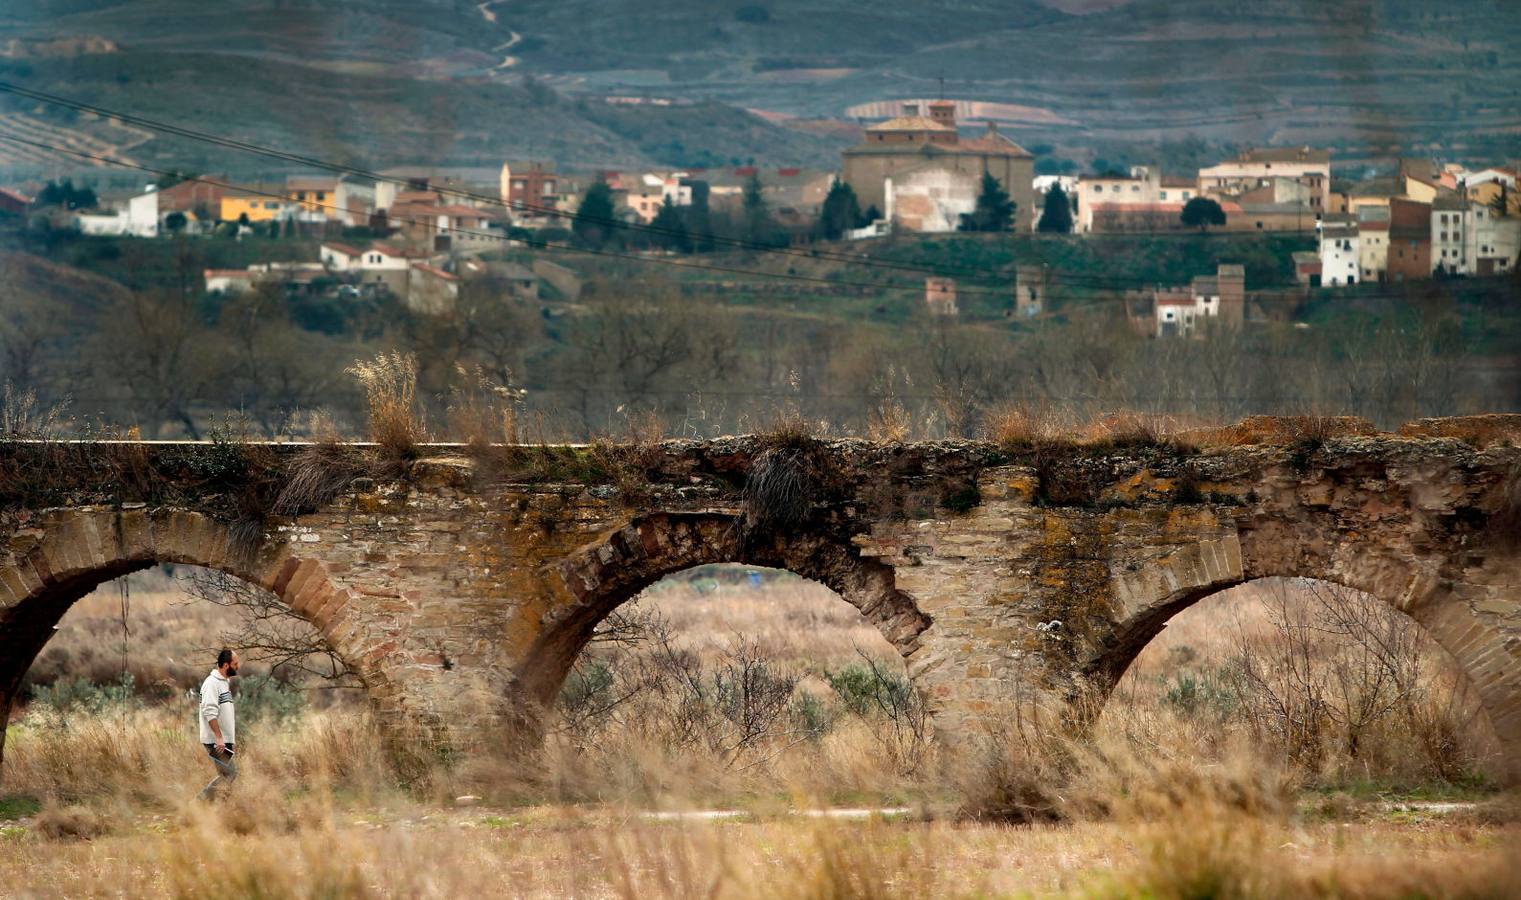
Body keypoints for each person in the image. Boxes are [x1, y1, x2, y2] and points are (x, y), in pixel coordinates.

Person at [197, 648, 240, 801]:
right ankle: (197, 804)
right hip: (216, 741)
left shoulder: (223, 682)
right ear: (226, 665)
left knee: (226, 775)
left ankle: (219, 811)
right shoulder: (212, 684)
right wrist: (219, 737)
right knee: (230, 774)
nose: (238, 666)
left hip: (223, 739)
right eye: (235, 663)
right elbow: (209, 712)